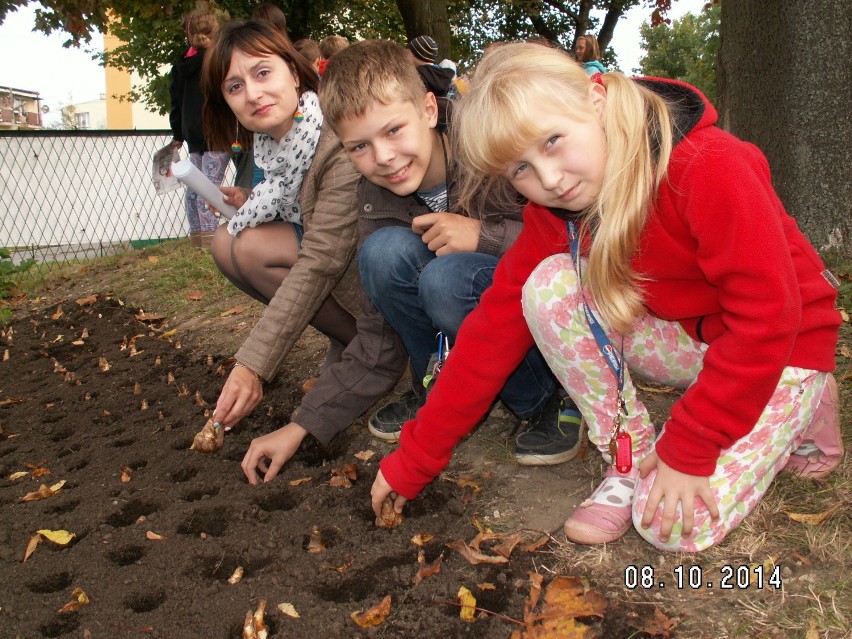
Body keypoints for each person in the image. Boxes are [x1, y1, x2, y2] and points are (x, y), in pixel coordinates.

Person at [370, 42, 842, 553]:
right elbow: (490, 335)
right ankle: (629, 458)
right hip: (693, 340)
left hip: (782, 344)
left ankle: (807, 394)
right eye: (520, 170)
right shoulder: (557, 211)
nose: (549, 180)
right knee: (548, 285)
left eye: (552, 141)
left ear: (595, 98)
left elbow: (770, 315)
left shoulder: (708, 165)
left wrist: (690, 446)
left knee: (669, 528)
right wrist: (412, 461)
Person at [238, 39, 585, 485]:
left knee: (446, 280)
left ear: (427, 110)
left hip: (536, 314)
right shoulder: (375, 195)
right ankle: (433, 388)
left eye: (393, 131)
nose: (383, 158)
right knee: (383, 253)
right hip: (468, 317)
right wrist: (304, 424)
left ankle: (545, 401)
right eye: (359, 147)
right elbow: (377, 334)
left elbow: (569, 241)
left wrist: (485, 236)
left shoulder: (488, 150)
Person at [199, 20, 361, 437]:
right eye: (234, 87)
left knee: (249, 248)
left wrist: (253, 363)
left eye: (262, 72)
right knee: (226, 241)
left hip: (367, 270)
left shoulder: (334, 133)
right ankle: (346, 342)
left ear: (293, 70)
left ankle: (370, 348)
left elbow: (321, 257)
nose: (252, 94)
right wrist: (247, 197)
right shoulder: (274, 141)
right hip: (336, 260)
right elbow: (292, 199)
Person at [170, 7, 230, 248]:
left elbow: (175, 101)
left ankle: (198, 236)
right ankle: (210, 240)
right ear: (216, 32)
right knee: (209, 186)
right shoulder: (217, 61)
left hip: (192, 132)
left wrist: (178, 133)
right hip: (216, 131)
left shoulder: (181, 65)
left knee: (195, 185)